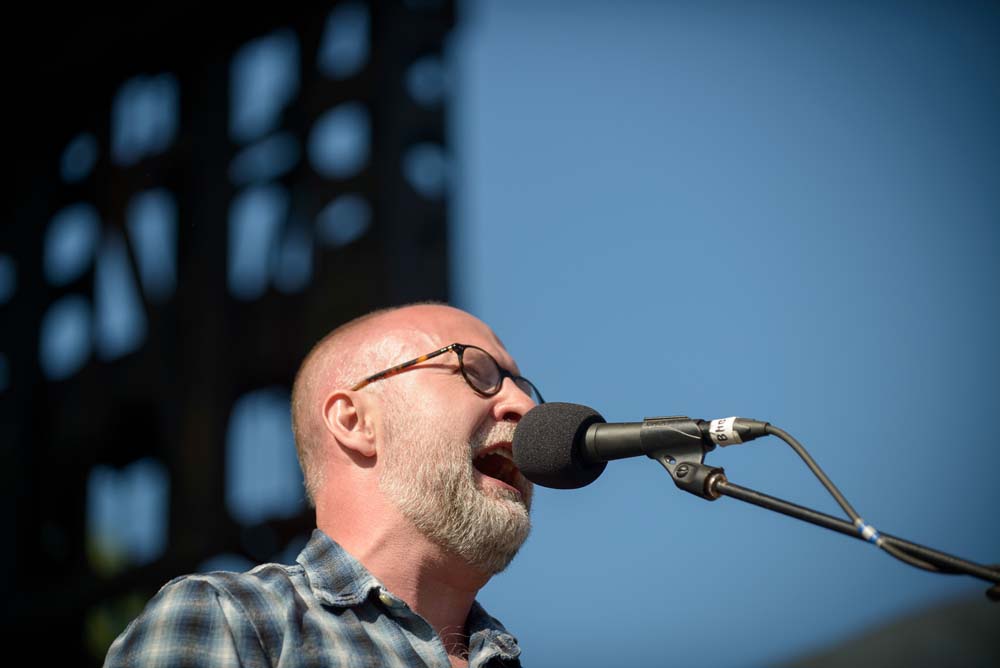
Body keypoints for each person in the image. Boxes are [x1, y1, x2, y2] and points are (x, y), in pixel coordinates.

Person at [103, 303, 544, 668]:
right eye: (475, 371)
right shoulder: (230, 619)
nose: (524, 406)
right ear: (355, 422)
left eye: (525, 388)